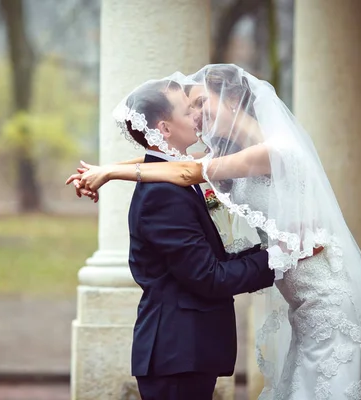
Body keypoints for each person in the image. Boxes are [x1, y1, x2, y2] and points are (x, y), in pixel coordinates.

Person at [67, 64, 361, 400]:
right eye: (190, 107)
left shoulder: (275, 151)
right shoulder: (230, 155)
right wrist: (109, 170)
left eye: (201, 103)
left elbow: (185, 170)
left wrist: (110, 172)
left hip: (320, 288)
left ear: (232, 100)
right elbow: (165, 159)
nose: (196, 114)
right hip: (294, 292)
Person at [94, 75, 278, 400]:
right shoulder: (162, 195)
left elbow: (211, 261)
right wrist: (278, 259)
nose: (196, 116)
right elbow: (209, 277)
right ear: (164, 129)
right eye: (186, 110)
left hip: (185, 352)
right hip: (176, 353)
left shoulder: (178, 178)